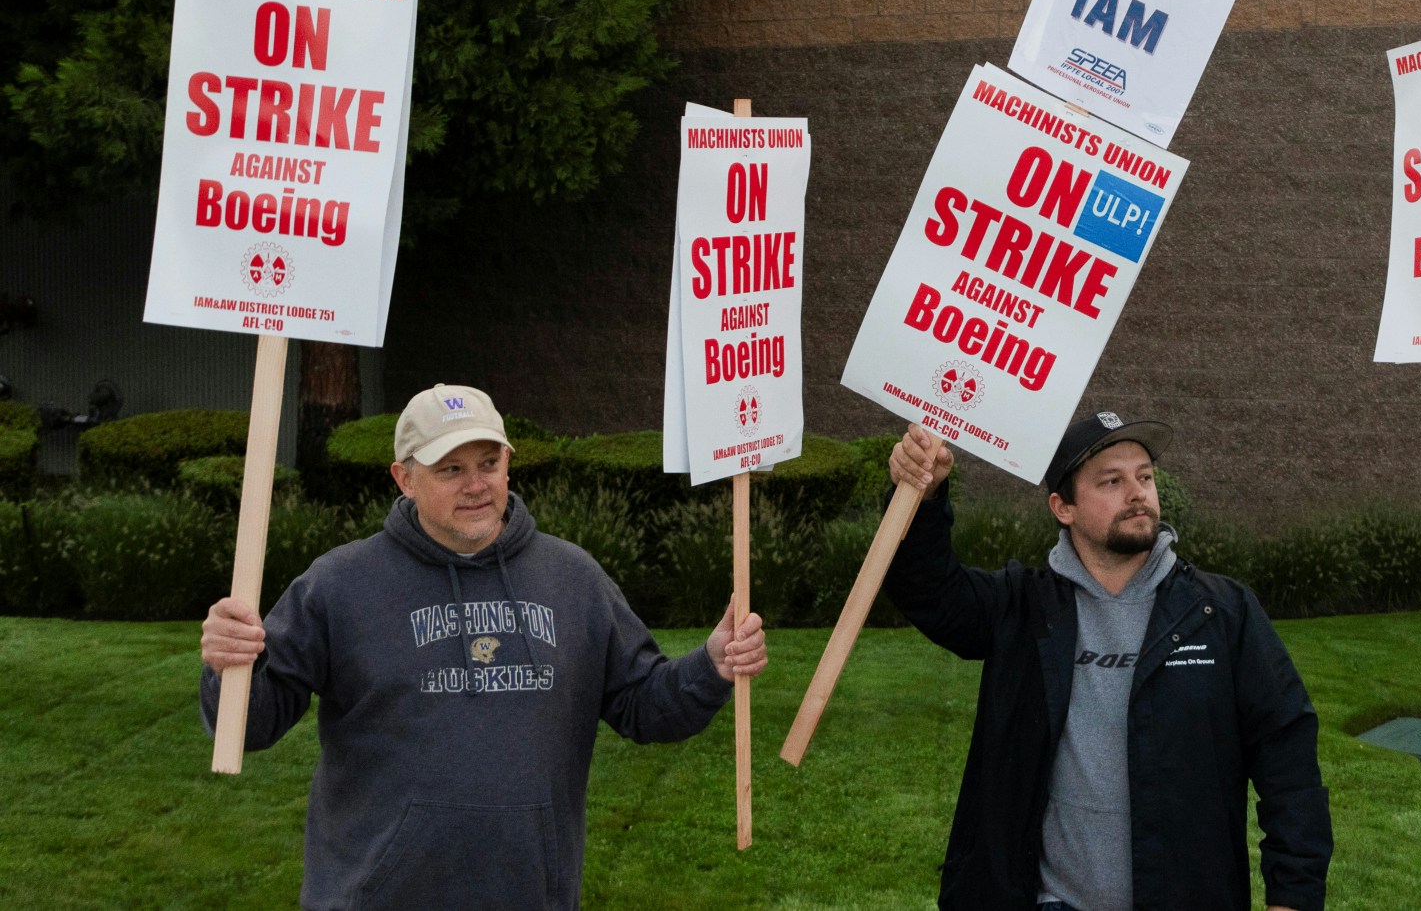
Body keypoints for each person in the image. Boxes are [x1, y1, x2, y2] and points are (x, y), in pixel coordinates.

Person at [198, 384, 766, 910]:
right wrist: (229, 666)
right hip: (374, 897)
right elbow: (251, 725)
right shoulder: (340, 584)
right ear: (404, 477)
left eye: (489, 463)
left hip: (528, 894)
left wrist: (711, 666)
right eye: (451, 468)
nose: (476, 485)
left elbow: (644, 705)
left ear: (508, 465)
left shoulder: (573, 580)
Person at [883, 411, 1332, 911]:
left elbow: (1288, 761)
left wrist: (1292, 897)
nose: (1137, 492)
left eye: (1144, 477)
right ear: (1063, 507)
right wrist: (919, 501)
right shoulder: (1021, 608)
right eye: (1111, 481)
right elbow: (927, 590)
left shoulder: (1221, 612)